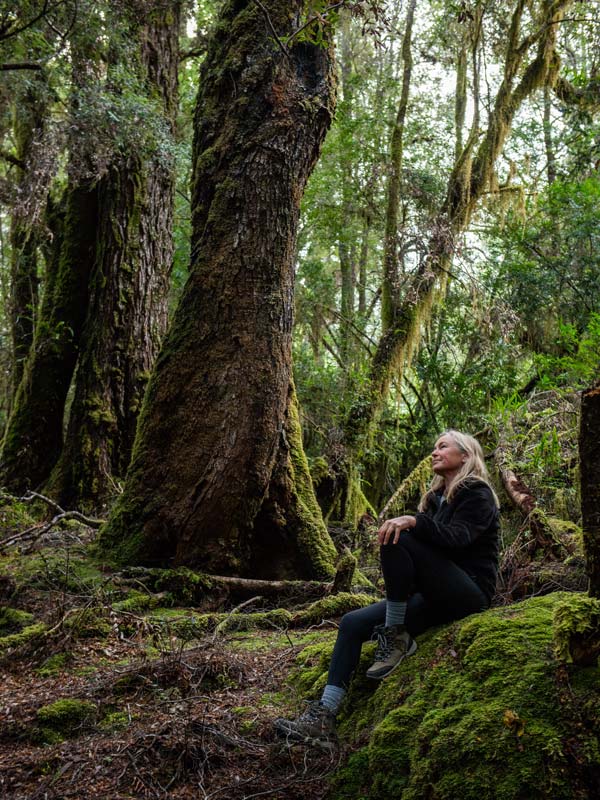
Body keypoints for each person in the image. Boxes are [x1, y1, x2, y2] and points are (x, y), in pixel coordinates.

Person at [274, 430, 500, 749]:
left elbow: (457, 539)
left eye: (442, 447)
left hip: (470, 592)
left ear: (465, 455)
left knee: (400, 533)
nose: (434, 452)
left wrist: (413, 521)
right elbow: (422, 561)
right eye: (434, 447)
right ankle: (323, 717)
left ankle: (393, 633)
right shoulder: (436, 500)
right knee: (352, 623)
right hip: (434, 596)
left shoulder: (477, 493)